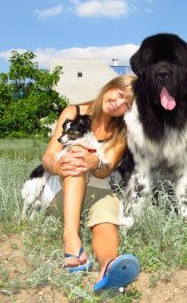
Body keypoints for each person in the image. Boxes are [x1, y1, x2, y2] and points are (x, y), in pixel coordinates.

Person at [41, 74, 140, 291]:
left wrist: (95, 161)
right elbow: (49, 156)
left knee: (106, 220)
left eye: (127, 104)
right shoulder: (73, 112)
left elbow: (105, 171)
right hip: (65, 192)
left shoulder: (122, 131)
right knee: (76, 151)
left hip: (98, 189)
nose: (118, 103)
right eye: (120, 94)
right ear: (110, 86)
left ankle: (108, 268)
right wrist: (57, 167)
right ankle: (71, 236)